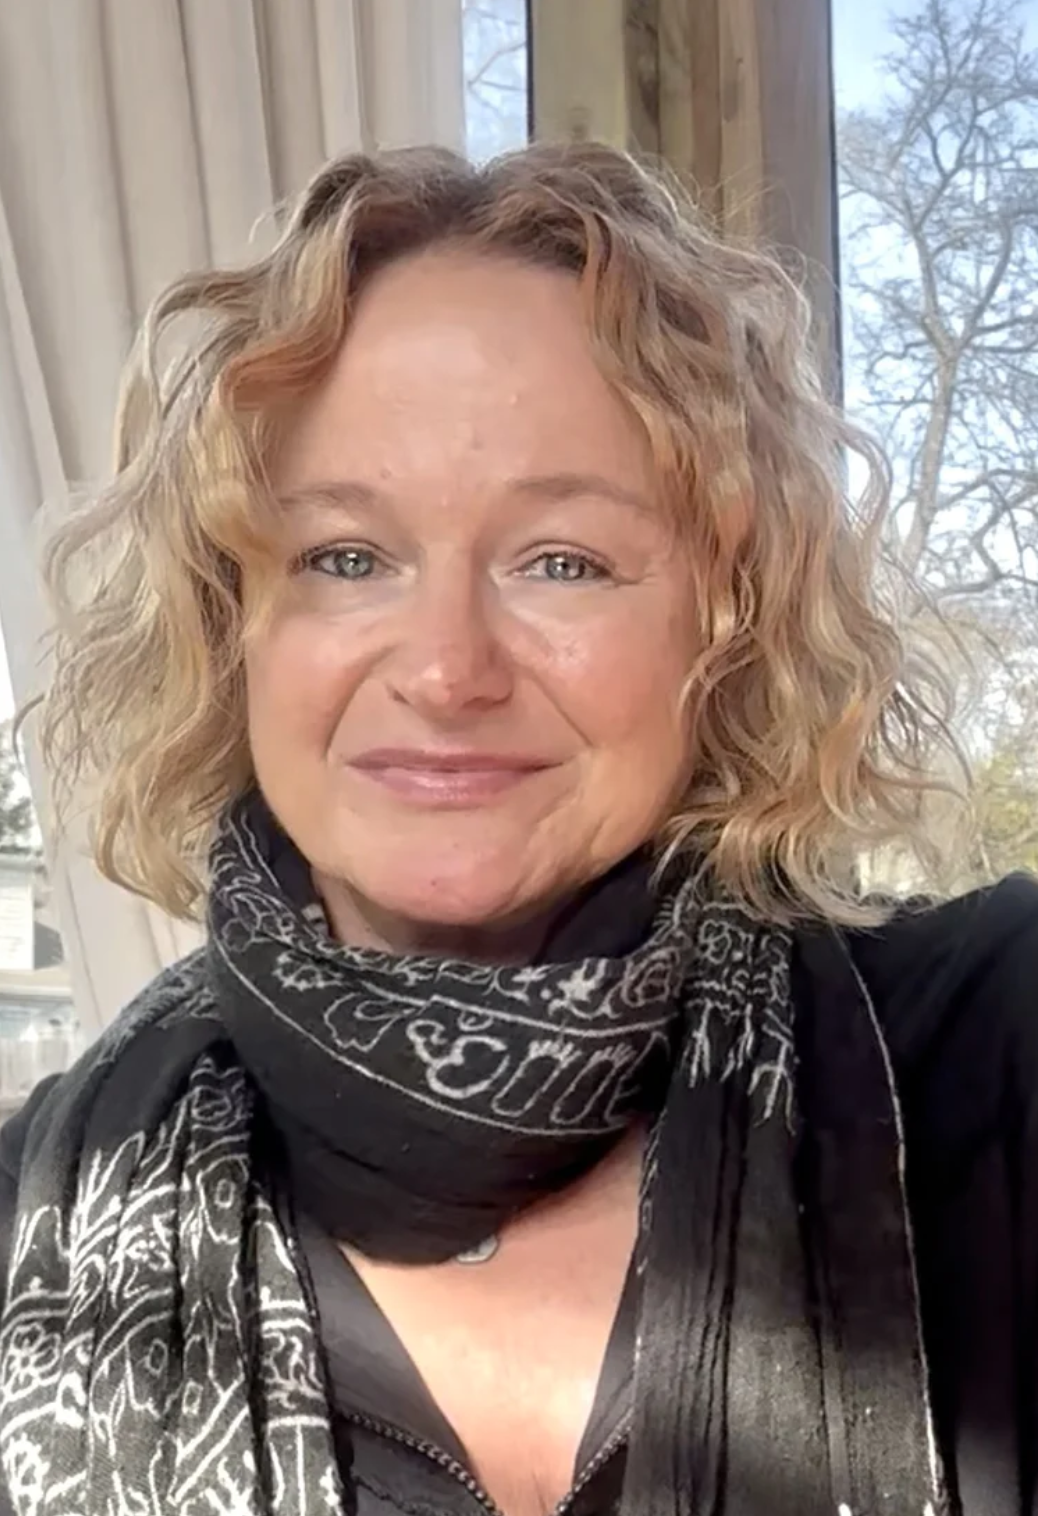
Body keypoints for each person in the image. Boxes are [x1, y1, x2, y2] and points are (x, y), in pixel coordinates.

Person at [0, 141, 1035, 1516]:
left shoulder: (987, 1049)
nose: (444, 670)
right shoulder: (38, 1221)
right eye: (344, 558)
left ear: (727, 623)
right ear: (227, 625)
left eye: (563, 560)